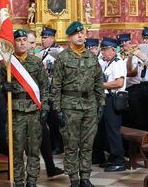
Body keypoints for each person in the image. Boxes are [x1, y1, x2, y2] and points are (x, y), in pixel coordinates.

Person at [51, 21, 105, 187]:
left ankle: (85, 177)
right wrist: (57, 109)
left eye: (83, 33)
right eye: (77, 34)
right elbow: (56, 85)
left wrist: (101, 103)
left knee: (88, 144)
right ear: (70, 36)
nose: (81, 36)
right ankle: (74, 178)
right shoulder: (62, 58)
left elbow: (98, 82)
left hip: (89, 105)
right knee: (71, 144)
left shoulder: (91, 57)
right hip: (69, 106)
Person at [0, 29, 49, 187]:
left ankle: (31, 180)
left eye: (25, 39)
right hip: (15, 112)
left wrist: (44, 108)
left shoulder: (36, 63)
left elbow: (45, 87)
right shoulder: (6, 63)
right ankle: (18, 181)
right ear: (13, 43)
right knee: (16, 150)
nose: (23, 43)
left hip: (33, 112)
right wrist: (3, 86)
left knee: (33, 149)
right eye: (19, 40)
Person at [26, 30, 64, 178]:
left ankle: (50, 166)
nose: (34, 45)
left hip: (43, 98)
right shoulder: (28, 58)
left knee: (46, 131)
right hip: (28, 103)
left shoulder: (56, 53)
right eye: (31, 42)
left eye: (33, 42)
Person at [99, 37, 127, 172]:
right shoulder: (109, 63)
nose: (102, 52)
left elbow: (119, 83)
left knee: (113, 130)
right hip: (106, 98)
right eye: (102, 50)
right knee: (106, 130)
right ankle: (112, 156)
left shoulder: (118, 63)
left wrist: (100, 85)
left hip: (113, 99)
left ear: (113, 50)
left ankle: (119, 160)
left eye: (104, 50)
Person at [39, 27, 64, 155]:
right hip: (45, 90)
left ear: (53, 38)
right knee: (47, 119)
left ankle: (59, 145)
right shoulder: (43, 52)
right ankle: (51, 144)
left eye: (45, 37)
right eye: (42, 37)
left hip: (55, 90)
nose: (43, 40)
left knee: (55, 120)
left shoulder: (59, 52)